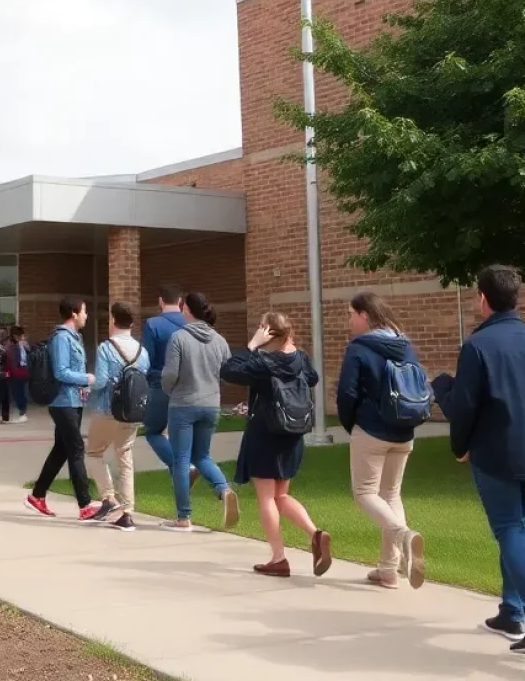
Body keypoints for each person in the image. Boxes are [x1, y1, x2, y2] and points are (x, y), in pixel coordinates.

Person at [433, 266, 525, 651]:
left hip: (497, 452)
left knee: (510, 529)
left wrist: (459, 445)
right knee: (518, 530)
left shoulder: (478, 346)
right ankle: (512, 612)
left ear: (483, 298)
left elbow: (465, 407)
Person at [221, 312, 332, 578]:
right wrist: (288, 347)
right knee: (281, 495)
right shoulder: (301, 359)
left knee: (267, 497)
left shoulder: (263, 362)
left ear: (267, 331)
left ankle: (278, 558)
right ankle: (315, 534)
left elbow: (228, 370)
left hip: (265, 432)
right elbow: (312, 378)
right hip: (292, 432)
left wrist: (252, 345)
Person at [337, 292, 426, 590]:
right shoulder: (404, 344)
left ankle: (403, 536)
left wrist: (351, 424)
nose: (349, 321)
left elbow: (347, 393)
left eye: (351, 314)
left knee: (365, 493)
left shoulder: (359, 348)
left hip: (371, 429)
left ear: (364, 315)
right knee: (391, 495)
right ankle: (388, 570)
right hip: (404, 430)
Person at [161, 293, 239, 532]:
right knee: (202, 456)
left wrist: (168, 389)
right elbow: (227, 374)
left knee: (181, 459)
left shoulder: (179, 337)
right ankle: (224, 489)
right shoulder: (220, 340)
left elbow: (170, 374)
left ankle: (183, 517)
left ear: (186, 310)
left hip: (183, 404)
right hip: (211, 405)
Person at [25, 298, 101, 521]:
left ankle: (37, 496)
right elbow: (61, 372)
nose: (86, 315)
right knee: (76, 448)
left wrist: (83, 386)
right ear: (74, 314)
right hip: (62, 402)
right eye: (84, 311)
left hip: (74, 401)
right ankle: (85, 505)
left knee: (61, 449)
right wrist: (86, 378)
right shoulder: (61, 338)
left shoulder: (75, 337)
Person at [85, 302, 150, 532]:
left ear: (113, 320)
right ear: (132, 323)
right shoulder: (142, 351)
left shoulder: (106, 347)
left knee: (94, 453)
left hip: (107, 409)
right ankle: (128, 512)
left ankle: (108, 497)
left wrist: (88, 383)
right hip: (132, 412)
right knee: (125, 456)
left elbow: (101, 381)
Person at [141, 286, 194, 486]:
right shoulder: (191, 324)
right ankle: (182, 495)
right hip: (189, 386)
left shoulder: (153, 324)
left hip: (160, 385)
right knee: (180, 438)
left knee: (153, 431)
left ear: (160, 301)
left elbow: (147, 358)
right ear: (180, 301)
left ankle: (183, 467)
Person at [5, 326, 30, 422]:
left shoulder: (16, 345)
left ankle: (22, 412)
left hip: (17, 372)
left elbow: (12, 359)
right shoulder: (21, 345)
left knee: (19, 392)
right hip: (21, 372)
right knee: (20, 392)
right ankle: (22, 411)